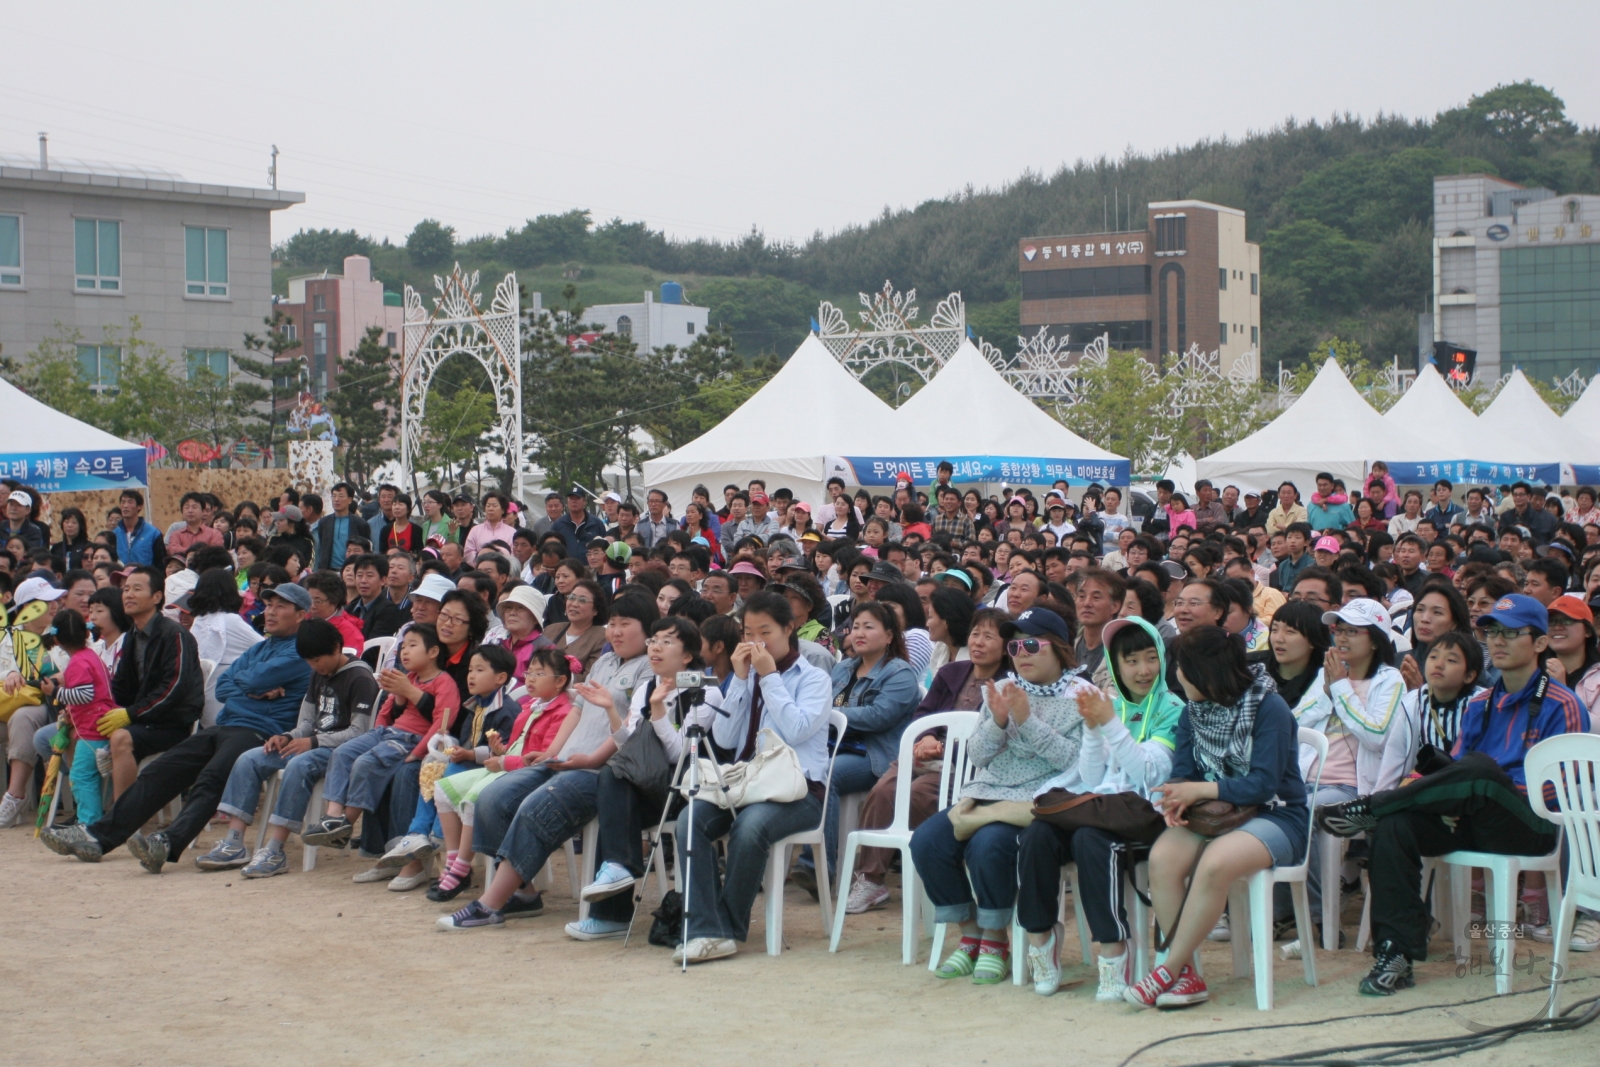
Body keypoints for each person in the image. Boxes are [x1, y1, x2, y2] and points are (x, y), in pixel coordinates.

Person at [1318, 594, 1589, 995]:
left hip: (1531, 827)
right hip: (1474, 817)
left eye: (1512, 634)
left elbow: (1563, 790)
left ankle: (1372, 807)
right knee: (1397, 824)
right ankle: (1396, 953)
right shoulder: (1481, 703)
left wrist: (1481, 787)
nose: (1498, 641)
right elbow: (1456, 771)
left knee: (1482, 772)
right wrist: (1456, 791)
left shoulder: (1561, 702)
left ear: (1538, 643)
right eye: (1492, 631)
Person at [41, 584, 313, 871]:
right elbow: (222, 687)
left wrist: (250, 684)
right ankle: (98, 837)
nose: (270, 612)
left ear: (300, 615)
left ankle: (168, 842)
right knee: (161, 770)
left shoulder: (300, 652)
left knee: (210, 778)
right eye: (268, 605)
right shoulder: (259, 648)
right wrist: (253, 686)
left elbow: (251, 681)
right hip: (226, 725)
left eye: (280, 606)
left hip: (261, 733)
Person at [437, 593, 657, 930]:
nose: (615, 631)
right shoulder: (604, 662)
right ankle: (524, 893)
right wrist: (554, 752)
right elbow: (577, 711)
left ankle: (489, 905)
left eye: (625, 624)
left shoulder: (648, 670)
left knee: (537, 806)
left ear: (648, 631)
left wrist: (586, 760)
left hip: (598, 769)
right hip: (565, 759)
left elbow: (630, 731)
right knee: (494, 798)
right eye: (612, 623)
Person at [1124, 625, 1306, 1008]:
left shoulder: (1269, 707)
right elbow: (1185, 769)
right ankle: (1189, 975)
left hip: (1276, 815)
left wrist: (1202, 790)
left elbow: (1264, 783)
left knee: (1214, 863)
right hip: (1215, 815)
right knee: (1162, 858)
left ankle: (1167, 969)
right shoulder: (1193, 711)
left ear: (1205, 674)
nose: (1176, 675)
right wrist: (1177, 796)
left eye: (1182, 668)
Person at [913, 606, 1093, 983]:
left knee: (988, 845)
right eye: (1014, 647)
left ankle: (996, 939)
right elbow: (978, 755)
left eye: (1031, 644)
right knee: (927, 841)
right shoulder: (1005, 689)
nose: (1021, 654)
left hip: (1040, 801)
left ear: (1059, 648)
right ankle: (970, 934)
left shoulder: (1082, 696)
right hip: (988, 794)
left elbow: (1075, 763)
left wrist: (1027, 720)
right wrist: (996, 720)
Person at [1017, 616, 1183, 998]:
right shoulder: (1112, 705)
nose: (1143, 670)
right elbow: (1091, 779)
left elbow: (1147, 776)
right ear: (1115, 666)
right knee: (1038, 835)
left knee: (1092, 839)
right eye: (1131, 661)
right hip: (1103, 806)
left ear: (1161, 657)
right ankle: (1041, 938)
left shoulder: (1171, 708)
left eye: (1149, 658)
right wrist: (1094, 727)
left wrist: (1109, 723)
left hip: (1145, 816)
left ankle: (1113, 948)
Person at [571, 617, 729, 938]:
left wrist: (658, 711)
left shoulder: (705, 691)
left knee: (613, 785)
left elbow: (679, 755)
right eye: (653, 640)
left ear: (687, 656)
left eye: (667, 641)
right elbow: (632, 750)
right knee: (614, 781)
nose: (655, 647)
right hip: (648, 783)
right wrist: (610, 711)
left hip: (684, 790)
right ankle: (615, 886)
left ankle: (612, 908)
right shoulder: (647, 686)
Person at [194, 618, 379, 876]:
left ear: (337, 648)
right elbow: (306, 721)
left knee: (299, 765)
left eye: (317, 660)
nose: (314, 666)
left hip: (337, 752)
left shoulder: (360, 677)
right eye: (309, 662)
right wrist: (286, 736)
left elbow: (359, 733)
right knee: (250, 758)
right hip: (311, 743)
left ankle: (275, 849)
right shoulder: (317, 674)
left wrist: (312, 742)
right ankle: (234, 841)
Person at [300, 623, 461, 860]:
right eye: (403, 646)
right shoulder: (409, 677)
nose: (404, 651)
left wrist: (416, 753)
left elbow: (441, 722)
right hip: (386, 734)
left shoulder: (443, 682)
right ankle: (333, 818)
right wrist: (377, 731)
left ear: (433, 652)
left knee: (365, 763)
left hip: (410, 738)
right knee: (343, 753)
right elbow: (385, 712)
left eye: (412, 646)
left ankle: (346, 824)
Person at [50, 609, 117, 828]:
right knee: (90, 777)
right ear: (86, 633)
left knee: (81, 776)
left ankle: (89, 824)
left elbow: (85, 694)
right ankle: (92, 821)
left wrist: (55, 692)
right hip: (99, 724)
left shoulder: (78, 661)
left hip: (93, 728)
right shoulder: (90, 656)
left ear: (57, 639)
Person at [184, 569, 265, 727]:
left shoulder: (200, 621)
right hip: (223, 707)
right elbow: (266, 648)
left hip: (200, 705)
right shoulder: (230, 621)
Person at [1542, 594, 1600, 720]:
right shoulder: (1534, 671)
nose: (1557, 627)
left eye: (1567, 621)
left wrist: (1562, 691)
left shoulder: (1597, 676)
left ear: (1588, 631)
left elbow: (1596, 730)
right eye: (1551, 621)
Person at [542, 577, 607, 678]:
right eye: (572, 598)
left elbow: (589, 677)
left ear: (596, 610)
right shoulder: (551, 630)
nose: (574, 604)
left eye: (582, 600)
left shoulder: (601, 636)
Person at [111, 490, 166, 569]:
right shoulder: (114, 534)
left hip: (145, 578)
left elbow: (161, 563)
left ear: (139, 506)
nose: (125, 506)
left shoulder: (153, 533)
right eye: (123, 502)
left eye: (130, 502)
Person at [463, 492, 516, 564]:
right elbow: (468, 551)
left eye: (494, 506)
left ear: (503, 510)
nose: (490, 509)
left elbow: (514, 553)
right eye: (488, 506)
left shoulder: (512, 532)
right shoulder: (475, 530)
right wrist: (480, 564)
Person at [552, 488, 606, 559]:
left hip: (591, 567)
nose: (574, 501)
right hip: (567, 566)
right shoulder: (558, 524)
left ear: (584, 501)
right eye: (571, 498)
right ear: (567, 501)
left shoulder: (596, 523)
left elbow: (604, 546)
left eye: (577, 498)